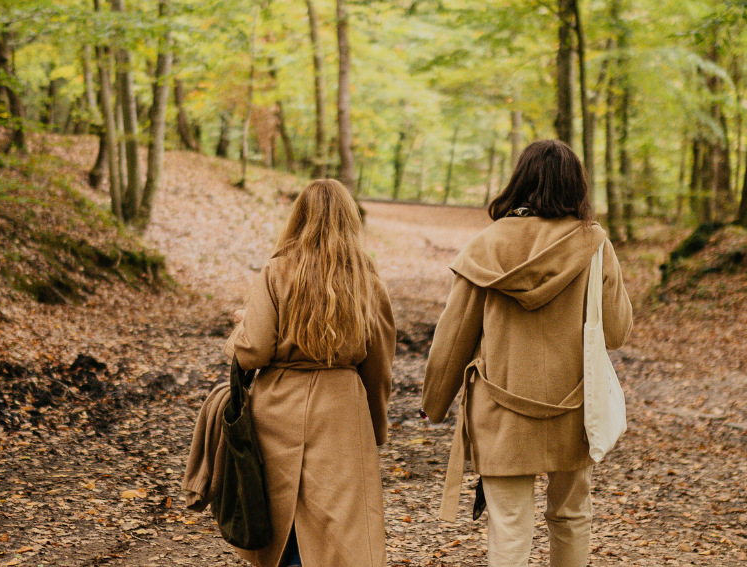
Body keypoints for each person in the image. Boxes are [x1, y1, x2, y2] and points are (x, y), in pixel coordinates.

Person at [422, 140, 633, 567]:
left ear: (520, 180)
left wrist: (435, 403)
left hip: (501, 410)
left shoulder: (487, 244)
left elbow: (454, 334)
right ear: (576, 186)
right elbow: (617, 332)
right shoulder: (594, 245)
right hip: (574, 410)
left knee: (510, 527)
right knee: (572, 517)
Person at [223, 179, 396, 567]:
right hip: (342, 412)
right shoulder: (368, 280)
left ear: (298, 217)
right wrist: (375, 427)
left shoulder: (276, 270)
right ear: (351, 221)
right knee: (336, 526)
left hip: (279, 404)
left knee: (281, 512)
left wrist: (241, 327)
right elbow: (378, 367)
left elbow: (253, 351)